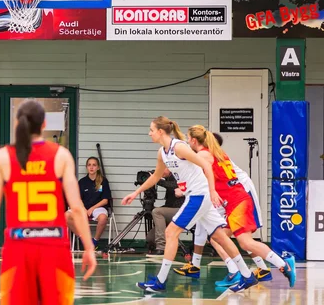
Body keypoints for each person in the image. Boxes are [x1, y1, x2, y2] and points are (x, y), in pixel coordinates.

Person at [0, 100, 96, 305]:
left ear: (17, 123)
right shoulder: (61, 155)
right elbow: (76, 208)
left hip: (18, 248)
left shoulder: (2, 157)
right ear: (44, 124)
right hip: (54, 247)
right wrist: (89, 248)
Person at [122, 116, 258, 293]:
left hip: (199, 195)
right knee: (220, 236)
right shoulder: (162, 152)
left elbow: (207, 167)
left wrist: (212, 191)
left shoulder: (179, 147)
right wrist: (135, 193)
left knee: (171, 232)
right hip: (197, 196)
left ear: (161, 131)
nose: (149, 134)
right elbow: (156, 177)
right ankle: (248, 276)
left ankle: (160, 281)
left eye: (151, 130)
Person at [173, 126, 296, 289]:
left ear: (194, 140)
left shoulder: (204, 155)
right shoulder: (216, 153)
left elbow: (185, 162)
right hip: (233, 201)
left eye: (189, 139)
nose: (187, 142)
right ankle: (239, 272)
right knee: (218, 236)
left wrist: (183, 189)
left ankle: (284, 264)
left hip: (237, 201)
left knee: (246, 243)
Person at [73, 156, 112, 249]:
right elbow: (78, 199)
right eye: (89, 165)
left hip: (98, 208)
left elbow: (105, 200)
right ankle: (83, 239)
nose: (91, 167)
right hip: (83, 208)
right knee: (67, 216)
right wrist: (83, 209)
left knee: (103, 218)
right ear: (86, 167)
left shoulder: (103, 181)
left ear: (98, 167)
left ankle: (94, 242)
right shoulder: (82, 182)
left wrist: (92, 208)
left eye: (94, 165)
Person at [146, 171, 184, 257]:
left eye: (162, 169)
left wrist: (156, 180)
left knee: (157, 212)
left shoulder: (178, 175)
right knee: (151, 238)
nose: (161, 171)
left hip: (182, 210)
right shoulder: (168, 178)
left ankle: (161, 248)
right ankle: (173, 244)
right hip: (172, 210)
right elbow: (169, 203)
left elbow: (174, 185)